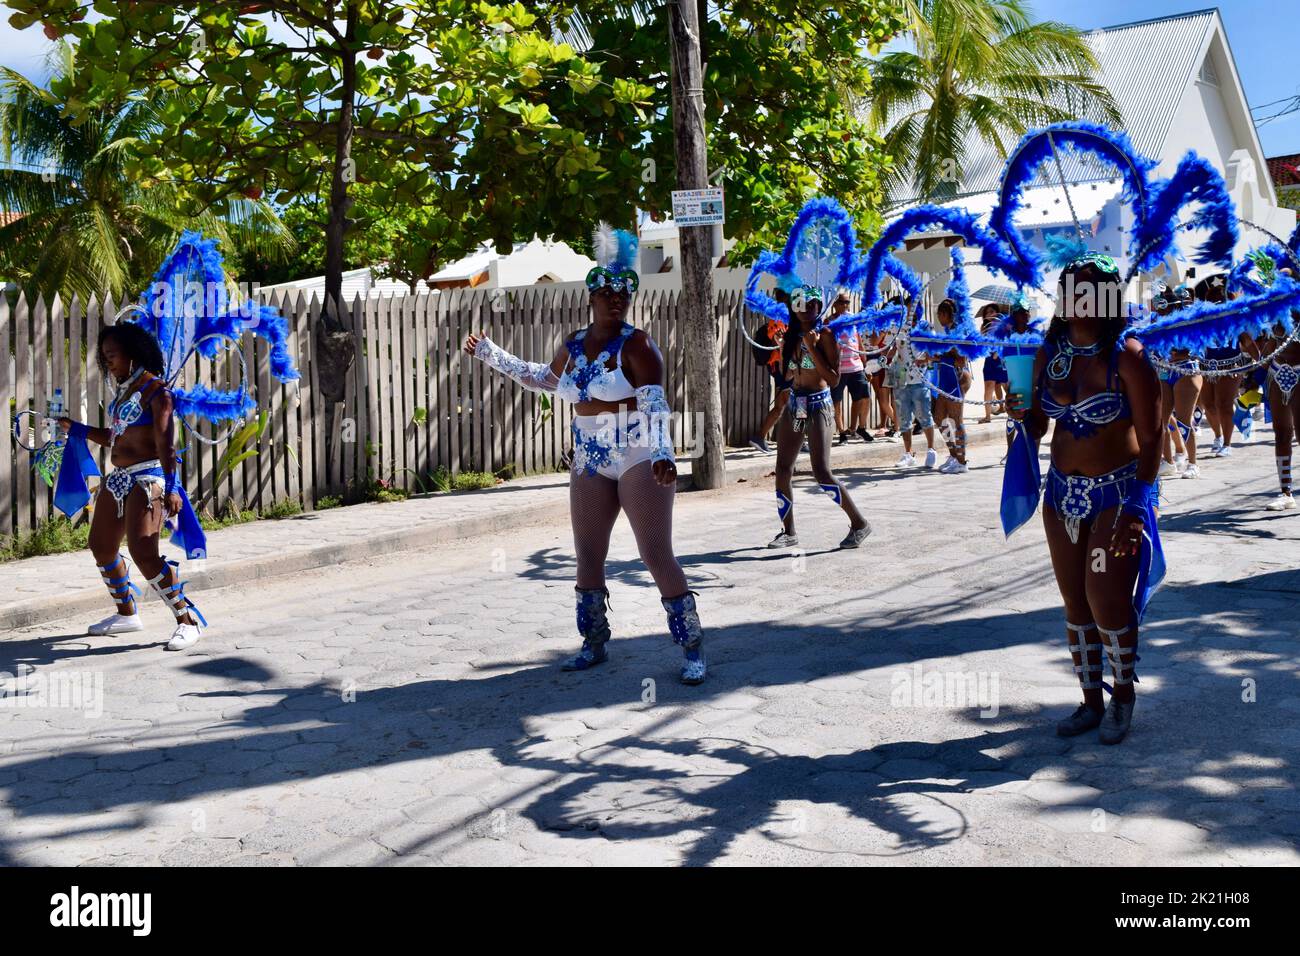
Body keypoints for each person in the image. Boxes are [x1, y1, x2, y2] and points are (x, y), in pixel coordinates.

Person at [466, 224, 707, 685]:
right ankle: (594, 643)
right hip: (591, 455)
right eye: (607, 292)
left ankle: (691, 647)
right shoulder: (574, 345)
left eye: (623, 293)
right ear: (592, 296)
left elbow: (656, 403)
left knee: (655, 552)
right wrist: (491, 354)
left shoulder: (638, 345)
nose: (616, 299)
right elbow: (543, 379)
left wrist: (662, 453)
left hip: (638, 452)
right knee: (588, 555)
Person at [1006, 254, 1163, 745]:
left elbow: (1154, 437)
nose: (1080, 299)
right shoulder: (1047, 352)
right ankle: (1090, 702)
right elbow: (1037, 425)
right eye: (1072, 289)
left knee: (1106, 600)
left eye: (1092, 290)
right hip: (1060, 494)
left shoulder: (1128, 356)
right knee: (1075, 602)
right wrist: (1021, 414)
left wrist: (1140, 504)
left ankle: (1123, 697)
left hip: (1116, 495)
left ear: (1110, 298)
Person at [57, 323, 206, 650]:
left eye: (112, 355)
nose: (107, 361)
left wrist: (172, 487)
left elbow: (167, 445)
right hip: (119, 478)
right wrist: (77, 428)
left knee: (144, 554)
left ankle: (187, 620)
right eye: (104, 355)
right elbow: (114, 438)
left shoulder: (158, 393)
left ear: (132, 354)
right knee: (101, 546)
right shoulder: (126, 393)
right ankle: (127, 614)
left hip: (147, 479)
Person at [769, 290, 872, 549]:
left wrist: (812, 347)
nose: (804, 308)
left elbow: (834, 378)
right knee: (783, 468)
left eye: (811, 304)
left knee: (822, 471)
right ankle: (788, 531)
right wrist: (784, 350)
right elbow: (788, 375)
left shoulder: (825, 335)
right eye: (799, 304)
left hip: (819, 407)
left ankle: (859, 523)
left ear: (818, 306)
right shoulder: (791, 335)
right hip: (797, 406)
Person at [1196, 275, 1259, 458]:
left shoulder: (1236, 318)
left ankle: (1227, 443)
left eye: (1220, 297)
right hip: (1207, 366)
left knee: (1223, 404)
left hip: (1231, 366)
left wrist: (1262, 361)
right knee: (1208, 404)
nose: (1217, 301)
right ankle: (1217, 436)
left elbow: (1246, 341)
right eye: (1213, 297)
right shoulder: (1202, 319)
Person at [1151, 281, 1203, 480]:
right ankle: (1169, 462)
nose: (1159, 311)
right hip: (1165, 372)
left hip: (1186, 371)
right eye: (1158, 306)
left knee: (1183, 420)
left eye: (1162, 306)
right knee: (1160, 421)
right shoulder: (1157, 323)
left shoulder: (1185, 322)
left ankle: (1193, 463)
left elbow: (1191, 346)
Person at [929, 298, 972, 474]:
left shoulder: (958, 332)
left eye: (939, 314)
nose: (938, 317)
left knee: (956, 420)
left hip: (957, 379)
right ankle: (954, 454)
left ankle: (962, 461)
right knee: (939, 417)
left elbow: (961, 359)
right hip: (945, 379)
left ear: (946, 314)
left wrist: (939, 357)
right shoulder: (948, 331)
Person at [889, 326, 938, 469]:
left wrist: (925, 359)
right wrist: (885, 358)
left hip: (919, 381)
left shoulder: (925, 328)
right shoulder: (896, 328)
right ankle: (908, 454)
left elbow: (934, 352)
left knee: (924, 416)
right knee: (904, 418)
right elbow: (892, 348)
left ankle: (931, 450)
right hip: (901, 381)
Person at [829, 292, 874, 444]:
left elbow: (859, 340)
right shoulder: (829, 321)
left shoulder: (853, 318)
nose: (845, 305)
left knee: (864, 397)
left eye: (847, 302)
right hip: (838, 368)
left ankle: (860, 428)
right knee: (836, 401)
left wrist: (865, 363)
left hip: (856, 366)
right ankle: (842, 433)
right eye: (842, 302)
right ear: (835, 304)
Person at [748, 292, 790, 454]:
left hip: (788, 367)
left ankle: (796, 439)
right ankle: (759, 437)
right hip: (781, 367)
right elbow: (779, 345)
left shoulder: (787, 320)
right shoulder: (778, 321)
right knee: (789, 404)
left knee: (789, 405)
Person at [977, 304, 1008, 422]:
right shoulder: (983, 327)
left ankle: (1012, 411)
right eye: (987, 312)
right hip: (989, 359)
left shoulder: (1002, 325)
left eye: (992, 311)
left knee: (1006, 386)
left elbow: (1005, 340)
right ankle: (987, 416)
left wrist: (997, 351)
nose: (989, 314)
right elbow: (982, 343)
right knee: (989, 387)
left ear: (997, 312)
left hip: (1000, 358)